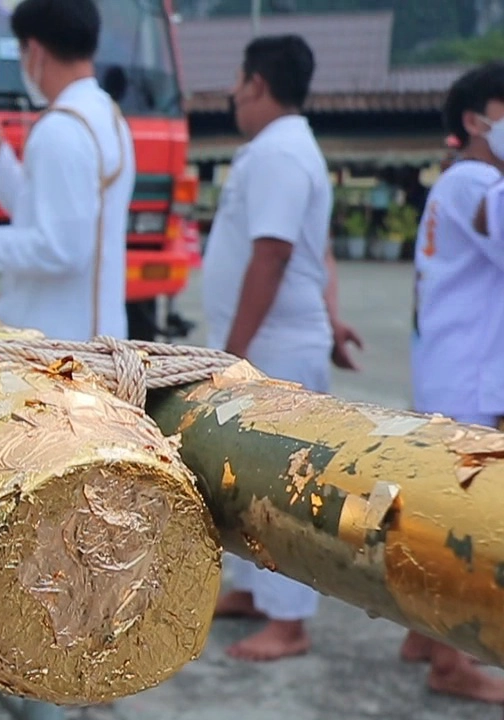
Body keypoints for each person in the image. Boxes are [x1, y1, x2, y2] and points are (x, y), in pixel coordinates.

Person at [202, 35, 362, 662]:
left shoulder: (281, 154)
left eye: (238, 84)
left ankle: (290, 621)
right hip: (271, 339)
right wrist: (335, 317)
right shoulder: (276, 150)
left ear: (258, 85)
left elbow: (274, 253)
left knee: (289, 484)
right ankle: (255, 591)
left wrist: (234, 352)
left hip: (273, 345)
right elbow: (313, 250)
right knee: (245, 474)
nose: (235, 98)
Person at [0, 0, 133, 342]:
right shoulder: (109, 118)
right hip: (94, 337)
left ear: (36, 51)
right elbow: (51, 212)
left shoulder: (59, 129)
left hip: (53, 347)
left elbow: (59, 250)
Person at [406, 62, 504, 706]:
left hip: (449, 365)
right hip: (467, 375)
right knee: (464, 519)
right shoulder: (476, 181)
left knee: (437, 508)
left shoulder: (459, 182)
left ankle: (424, 635)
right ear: (476, 121)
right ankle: (450, 656)